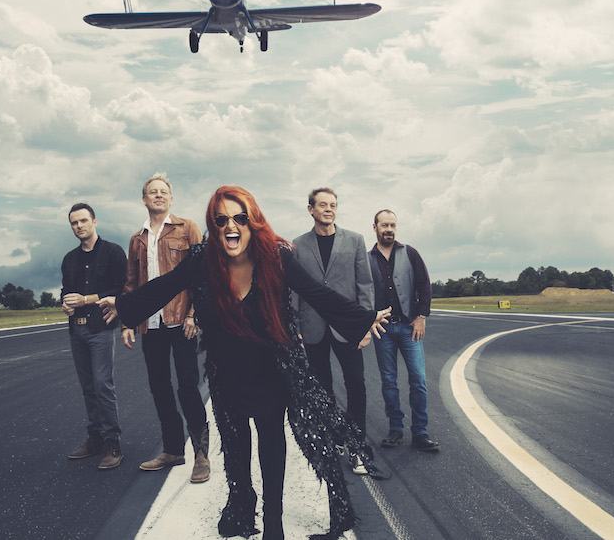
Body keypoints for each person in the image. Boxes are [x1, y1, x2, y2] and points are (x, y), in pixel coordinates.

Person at [100, 186, 390, 540]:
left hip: (272, 370)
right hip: (226, 374)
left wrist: (362, 319)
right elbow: (165, 286)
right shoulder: (202, 260)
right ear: (213, 225)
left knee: (271, 444)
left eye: (239, 217)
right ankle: (242, 508)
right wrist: (124, 306)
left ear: (252, 222)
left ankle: (273, 524)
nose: (230, 226)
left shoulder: (277, 257)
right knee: (237, 453)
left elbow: (317, 294)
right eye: (221, 219)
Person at [120, 172, 209, 483]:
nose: (158, 195)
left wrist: (194, 314)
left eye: (163, 192)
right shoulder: (137, 239)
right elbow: (132, 284)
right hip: (151, 323)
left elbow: (202, 274)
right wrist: (127, 320)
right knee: (159, 387)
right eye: (152, 192)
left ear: (171, 198)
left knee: (187, 386)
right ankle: (173, 449)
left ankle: (201, 453)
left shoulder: (188, 228)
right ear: (144, 200)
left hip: (181, 321)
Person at [292, 188, 374, 475]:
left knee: (356, 385)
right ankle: (333, 441)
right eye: (323, 205)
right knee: (321, 389)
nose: (329, 209)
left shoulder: (355, 240)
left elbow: (365, 286)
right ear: (310, 209)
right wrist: (297, 327)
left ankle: (357, 447)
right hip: (312, 327)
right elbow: (294, 289)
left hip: (347, 328)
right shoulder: (299, 245)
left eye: (333, 205)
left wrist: (363, 326)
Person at [61, 203, 128, 469]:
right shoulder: (69, 259)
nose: (79, 226)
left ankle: (113, 442)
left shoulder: (113, 253)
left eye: (83, 221)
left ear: (94, 222)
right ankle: (96, 438)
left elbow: (120, 289)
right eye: (74, 223)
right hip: (75, 329)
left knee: (103, 385)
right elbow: (66, 291)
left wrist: (86, 299)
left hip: (99, 328)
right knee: (88, 388)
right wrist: (65, 304)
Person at [368, 209, 439, 452]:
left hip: (410, 328)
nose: (389, 229)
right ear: (374, 227)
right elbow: (363, 293)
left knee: (418, 379)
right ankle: (395, 429)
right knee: (389, 381)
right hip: (384, 329)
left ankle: (420, 432)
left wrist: (421, 317)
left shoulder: (410, 253)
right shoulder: (366, 259)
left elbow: (424, 286)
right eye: (384, 225)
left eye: (392, 225)